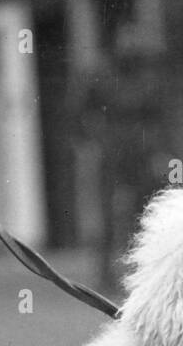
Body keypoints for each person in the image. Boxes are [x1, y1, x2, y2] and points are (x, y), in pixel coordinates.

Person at [71, 21, 171, 291]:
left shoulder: (149, 76)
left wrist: (160, 153)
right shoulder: (100, 74)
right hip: (110, 149)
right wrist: (91, 142)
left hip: (143, 150)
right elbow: (80, 112)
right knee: (106, 213)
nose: (130, 47)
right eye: (125, 40)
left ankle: (143, 271)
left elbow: (160, 118)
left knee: (145, 212)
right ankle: (105, 274)